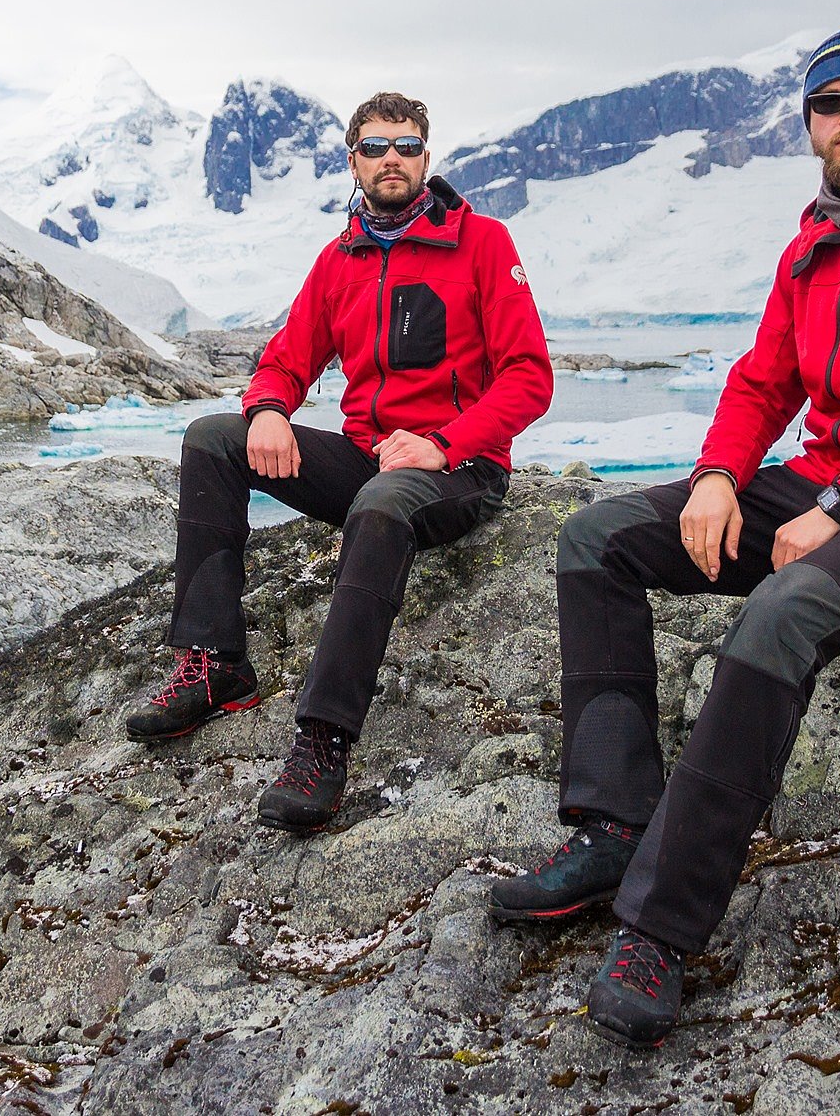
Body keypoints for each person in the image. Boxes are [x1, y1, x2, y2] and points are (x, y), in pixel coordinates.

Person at [488, 28, 840, 1048]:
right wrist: (716, 476)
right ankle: (612, 826)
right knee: (597, 538)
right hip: (825, 487)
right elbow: (761, 381)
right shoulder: (812, 245)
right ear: (808, 125)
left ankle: (661, 927)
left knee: (783, 613)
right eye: (827, 103)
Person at [123, 92, 554, 832]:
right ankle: (216, 663)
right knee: (212, 438)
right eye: (377, 146)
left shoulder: (483, 243)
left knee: (382, 504)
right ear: (353, 161)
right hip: (366, 456)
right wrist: (266, 408)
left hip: (459, 469)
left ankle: (322, 737)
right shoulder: (340, 258)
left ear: (426, 158)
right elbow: (286, 359)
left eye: (408, 146)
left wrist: (444, 444)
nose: (393, 158)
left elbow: (529, 378)